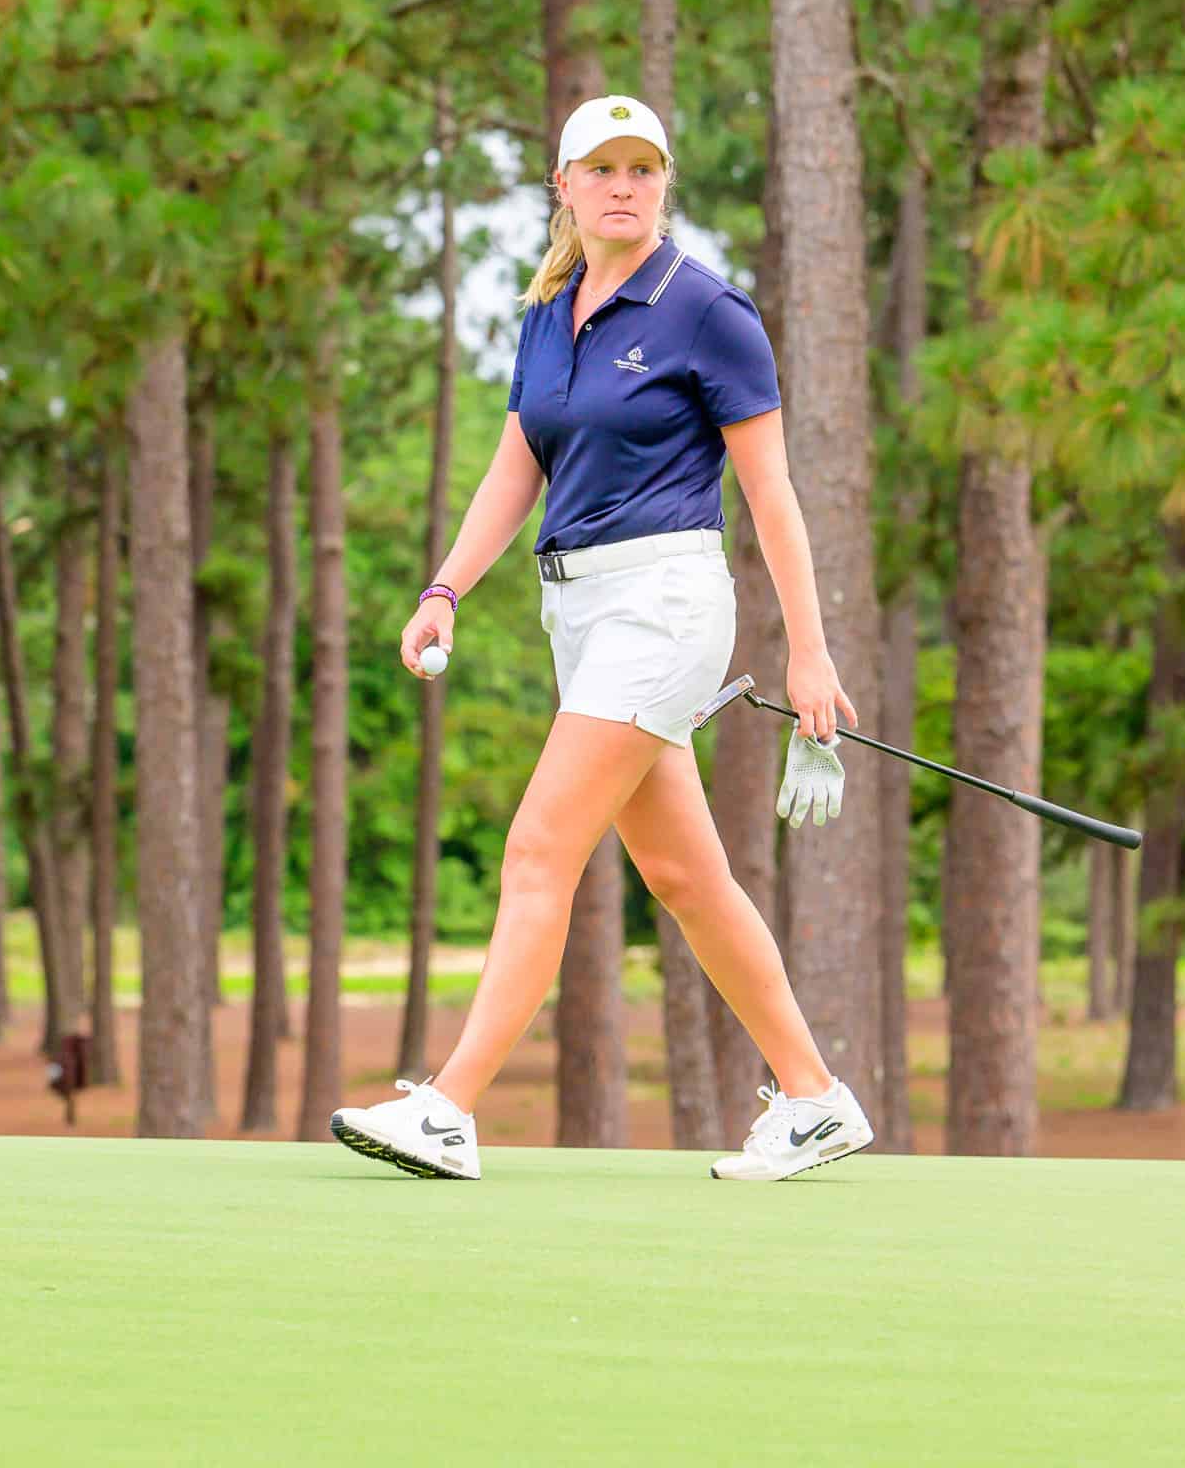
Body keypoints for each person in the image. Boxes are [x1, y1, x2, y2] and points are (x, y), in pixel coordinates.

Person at [331, 94, 869, 1183]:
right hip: (573, 612)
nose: (624, 184)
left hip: (665, 604)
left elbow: (771, 493)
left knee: (539, 847)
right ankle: (814, 1098)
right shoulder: (545, 314)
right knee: (683, 872)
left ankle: (449, 1108)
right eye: (601, 167)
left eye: (643, 167)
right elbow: (515, 467)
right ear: (563, 186)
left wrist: (809, 649)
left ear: (663, 182)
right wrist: (444, 586)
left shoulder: (709, 310)